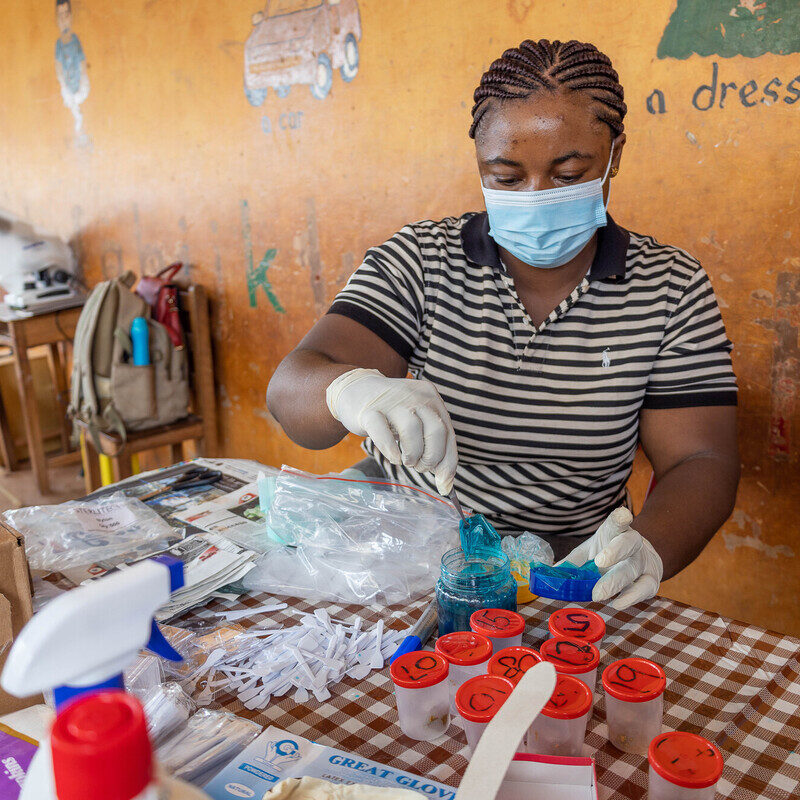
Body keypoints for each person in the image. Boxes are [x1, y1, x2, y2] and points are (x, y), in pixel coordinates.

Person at [267, 39, 739, 610]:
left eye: (569, 173)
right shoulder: (421, 259)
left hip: (566, 563)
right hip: (406, 546)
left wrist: (649, 546)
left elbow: (700, 460)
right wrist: (349, 391)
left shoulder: (671, 287)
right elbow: (294, 391)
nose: (537, 197)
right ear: (479, 165)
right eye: (507, 178)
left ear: (614, 156)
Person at [55, 0, 90, 138]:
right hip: (67, 85)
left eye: (66, 14)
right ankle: (78, 125)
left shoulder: (75, 40)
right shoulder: (58, 44)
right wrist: (63, 84)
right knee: (72, 104)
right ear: (57, 19)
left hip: (79, 82)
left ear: (71, 16)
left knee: (79, 101)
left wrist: (83, 79)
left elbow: (82, 60)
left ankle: (82, 128)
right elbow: (58, 66)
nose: (64, 19)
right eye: (60, 15)